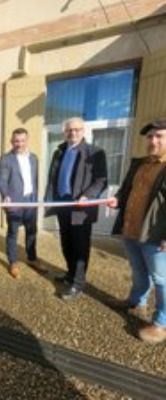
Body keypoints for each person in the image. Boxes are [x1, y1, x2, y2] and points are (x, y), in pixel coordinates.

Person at [110, 119, 166, 344]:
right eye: (150, 136)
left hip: (155, 235)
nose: (153, 140)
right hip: (131, 229)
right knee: (139, 271)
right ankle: (135, 301)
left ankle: (161, 323)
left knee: (162, 279)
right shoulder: (139, 163)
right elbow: (126, 190)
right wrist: (117, 199)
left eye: (159, 136)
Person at [45, 117, 107, 301]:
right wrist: (48, 199)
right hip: (62, 204)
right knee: (66, 242)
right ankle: (70, 274)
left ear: (83, 131)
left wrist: (87, 195)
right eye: (69, 130)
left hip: (81, 207)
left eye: (77, 129)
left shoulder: (95, 152)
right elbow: (52, 178)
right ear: (64, 132)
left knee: (80, 244)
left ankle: (78, 283)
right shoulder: (59, 151)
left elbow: (101, 180)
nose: (73, 133)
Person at [0, 127, 45, 279]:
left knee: (32, 231)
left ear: (27, 140)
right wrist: (5, 196)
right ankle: (13, 262)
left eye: (22, 140)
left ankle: (32, 258)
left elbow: (35, 180)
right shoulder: (6, 159)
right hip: (14, 202)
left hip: (30, 201)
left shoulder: (33, 158)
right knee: (13, 233)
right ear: (12, 141)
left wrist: (36, 199)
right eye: (16, 141)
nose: (19, 144)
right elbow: (2, 180)